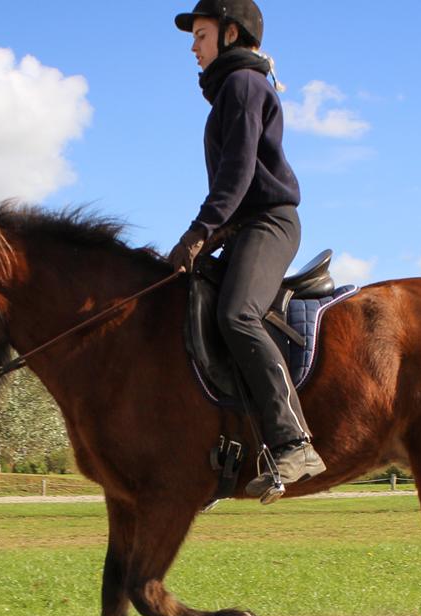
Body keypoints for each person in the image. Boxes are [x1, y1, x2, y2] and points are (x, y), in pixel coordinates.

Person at [170, 0, 325, 503]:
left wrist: (198, 233)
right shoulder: (234, 90)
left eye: (201, 34)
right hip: (241, 227)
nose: (193, 47)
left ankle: (294, 442)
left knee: (237, 314)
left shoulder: (241, 85)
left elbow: (237, 175)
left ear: (230, 34)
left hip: (269, 222)